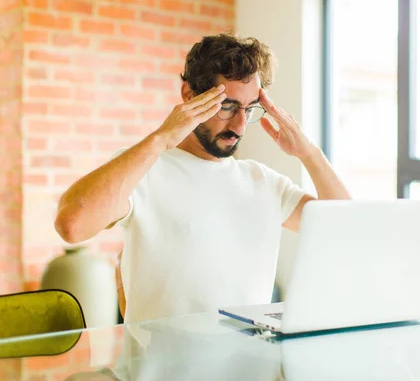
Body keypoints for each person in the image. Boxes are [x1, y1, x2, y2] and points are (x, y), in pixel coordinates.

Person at [54, 33, 350, 323]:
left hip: (247, 369)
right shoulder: (146, 168)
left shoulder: (264, 182)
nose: (240, 126)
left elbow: (345, 229)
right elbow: (73, 225)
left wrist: (309, 154)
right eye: (228, 106)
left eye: (249, 110)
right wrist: (161, 138)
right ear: (188, 96)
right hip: (163, 369)